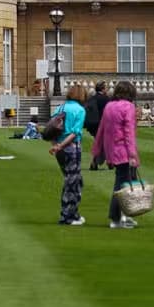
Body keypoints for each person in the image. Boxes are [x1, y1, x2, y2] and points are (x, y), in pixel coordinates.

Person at [93, 80, 140, 230]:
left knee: (125, 182)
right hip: (124, 150)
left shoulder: (109, 106)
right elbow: (129, 133)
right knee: (121, 185)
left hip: (112, 149)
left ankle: (125, 215)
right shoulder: (129, 107)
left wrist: (98, 149)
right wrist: (133, 154)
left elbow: (102, 129)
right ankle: (116, 218)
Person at [49, 84, 87, 226]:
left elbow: (50, 129)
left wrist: (55, 145)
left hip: (60, 149)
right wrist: (61, 145)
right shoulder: (79, 110)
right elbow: (74, 132)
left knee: (74, 180)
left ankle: (73, 213)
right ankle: (68, 216)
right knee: (72, 182)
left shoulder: (60, 108)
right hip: (71, 147)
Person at [85, 82, 110, 170]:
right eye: (106, 88)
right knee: (105, 143)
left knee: (100, 143)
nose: (107, 89)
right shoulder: (106, 99)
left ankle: (99, 162)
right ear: (103, 89)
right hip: (103, 124)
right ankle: (107, 161)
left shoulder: (91, 98)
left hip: (93, 125)